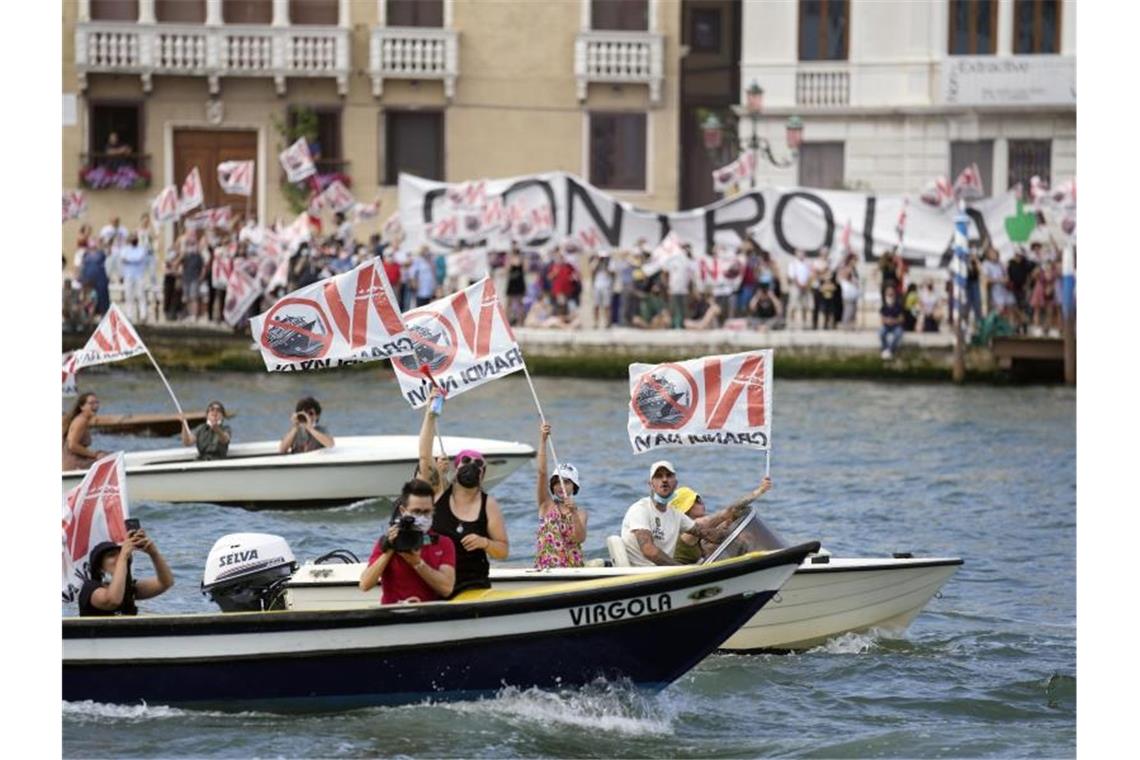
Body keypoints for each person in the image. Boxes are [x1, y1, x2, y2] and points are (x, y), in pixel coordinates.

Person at [418, 388, 510, 592]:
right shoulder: (439, 491)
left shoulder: (489, 505)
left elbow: (503, 550)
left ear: (482, 474)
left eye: (478, 464)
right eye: (466, 461)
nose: (472, 465)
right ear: (455, 467)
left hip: (474, 586)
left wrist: (485, 542)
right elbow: (424, 456)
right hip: (437, 586)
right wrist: (430, 415)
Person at [359, 479, 457, 603]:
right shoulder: (390, 539)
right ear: (403, 511)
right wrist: (390, 549)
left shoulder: (443, 543)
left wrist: (417, 563)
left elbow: (446, 588)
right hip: (393, 611)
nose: (421, 517)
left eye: (427, 512)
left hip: (427, 612)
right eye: (416, 511)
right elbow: (365, 585)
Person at [620, 460, 722, 566]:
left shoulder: (676, 514)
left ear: (675, 484)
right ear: (651, 484)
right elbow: (649, 551)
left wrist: (733, 532)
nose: (664, 480)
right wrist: (680, 569)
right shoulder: (640, 509)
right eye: (659, 476)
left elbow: (707, 534)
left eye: (669, 476)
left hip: (665, 572)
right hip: (641, 575)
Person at [670, 477, 772, 563]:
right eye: (696, 500)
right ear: (687, 509)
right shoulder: (696, 525)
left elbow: (720, 528)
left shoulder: (685, 529)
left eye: (699, 498)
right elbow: (730, 510)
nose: (701, 502)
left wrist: (730, 522)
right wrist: (760, 490)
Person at [78, 528, 174, 616]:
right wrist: (123, 556)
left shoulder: (129, 588)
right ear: (99, 567)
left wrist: (153, 553)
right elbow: (112, 601)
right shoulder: (90, 588)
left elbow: (165, 583)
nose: (119, 558)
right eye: (111, 555)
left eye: (120, 554)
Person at [533, 422, 587, 569]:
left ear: (574, 486)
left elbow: (579, 538)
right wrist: (543, 440)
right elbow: (542, 473)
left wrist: (573, 513)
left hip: (572, 569)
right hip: (547, 569)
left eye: (566, 482)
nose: (560, 486)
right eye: (556, 482)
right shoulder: (546, 505)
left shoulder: (580, 513)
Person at [63, 393, 111, 471]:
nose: (95, 406)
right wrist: (95, 455)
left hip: (76, 460)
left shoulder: (82, 419)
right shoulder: (81, 421)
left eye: (97, 403)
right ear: (82, 407)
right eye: (91, 403)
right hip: (74, 464)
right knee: (109, 460)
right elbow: (72, 445)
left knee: (108, 456)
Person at [879, 285, 905, 360]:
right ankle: (885, 349)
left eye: (891, 294)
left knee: (898, 334)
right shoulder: (884, 306)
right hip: (886, 326)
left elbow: (902, 318)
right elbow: (881, 319)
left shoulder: (898, 305)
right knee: (881, 333)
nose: (890, 296)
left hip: (896, 326)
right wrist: (887, 320)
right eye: (888, 294)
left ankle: (890, 350)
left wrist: (893, 321)